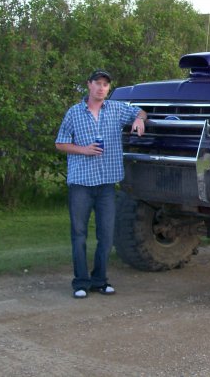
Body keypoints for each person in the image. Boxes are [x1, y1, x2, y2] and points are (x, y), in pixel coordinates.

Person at [55, 70, 147, 299]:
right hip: (81, 184)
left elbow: (141, 111)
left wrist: (138, 119)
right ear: (89, 85)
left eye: (106, 84)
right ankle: (80, 283)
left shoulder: (116, 109)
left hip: (106, 184)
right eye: (98, 83)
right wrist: (84, 150)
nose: (102, 88)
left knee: (106, 235)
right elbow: (60, 143)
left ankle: (100, 280)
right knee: (79, 234)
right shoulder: (74, 113)